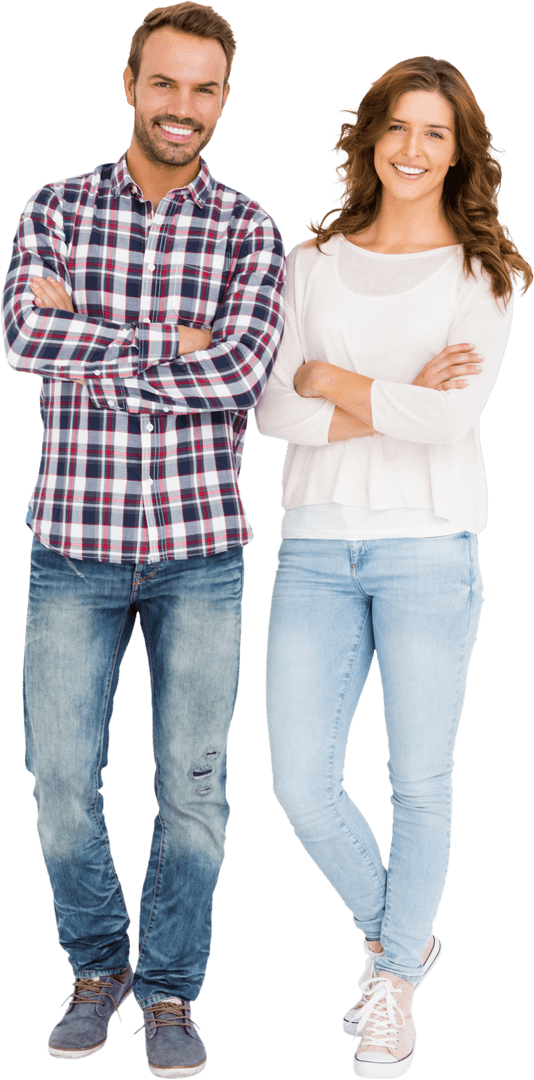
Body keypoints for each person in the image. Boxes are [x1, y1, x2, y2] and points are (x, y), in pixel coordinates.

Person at [1, 3, 284, 1076]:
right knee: (63, 779)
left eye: (204, 88)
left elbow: (243, 373)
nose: (182, 106)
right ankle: (94, 966)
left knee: (196, 784)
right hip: (72, 540)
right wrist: (175, 338)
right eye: (164, 83)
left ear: (223, 98)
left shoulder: (250, 229)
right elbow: (27, 337)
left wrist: (97, 345)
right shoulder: (57, 205)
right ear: (129, 83)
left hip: (200, 547)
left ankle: (169, 991)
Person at [255, 55, 531, 1079]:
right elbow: (271, 407)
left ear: (460, 153)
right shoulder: (309, 264)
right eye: (399, 128)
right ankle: (403, 945)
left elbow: (449, 416)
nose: (414, 150)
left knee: (419, 780)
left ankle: (390, 992)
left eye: (438, 134)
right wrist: (388, 390)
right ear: (371, 136)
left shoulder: (479, 271)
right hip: (316, 548)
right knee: (298, 781)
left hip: (430, 548)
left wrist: (339, 378)